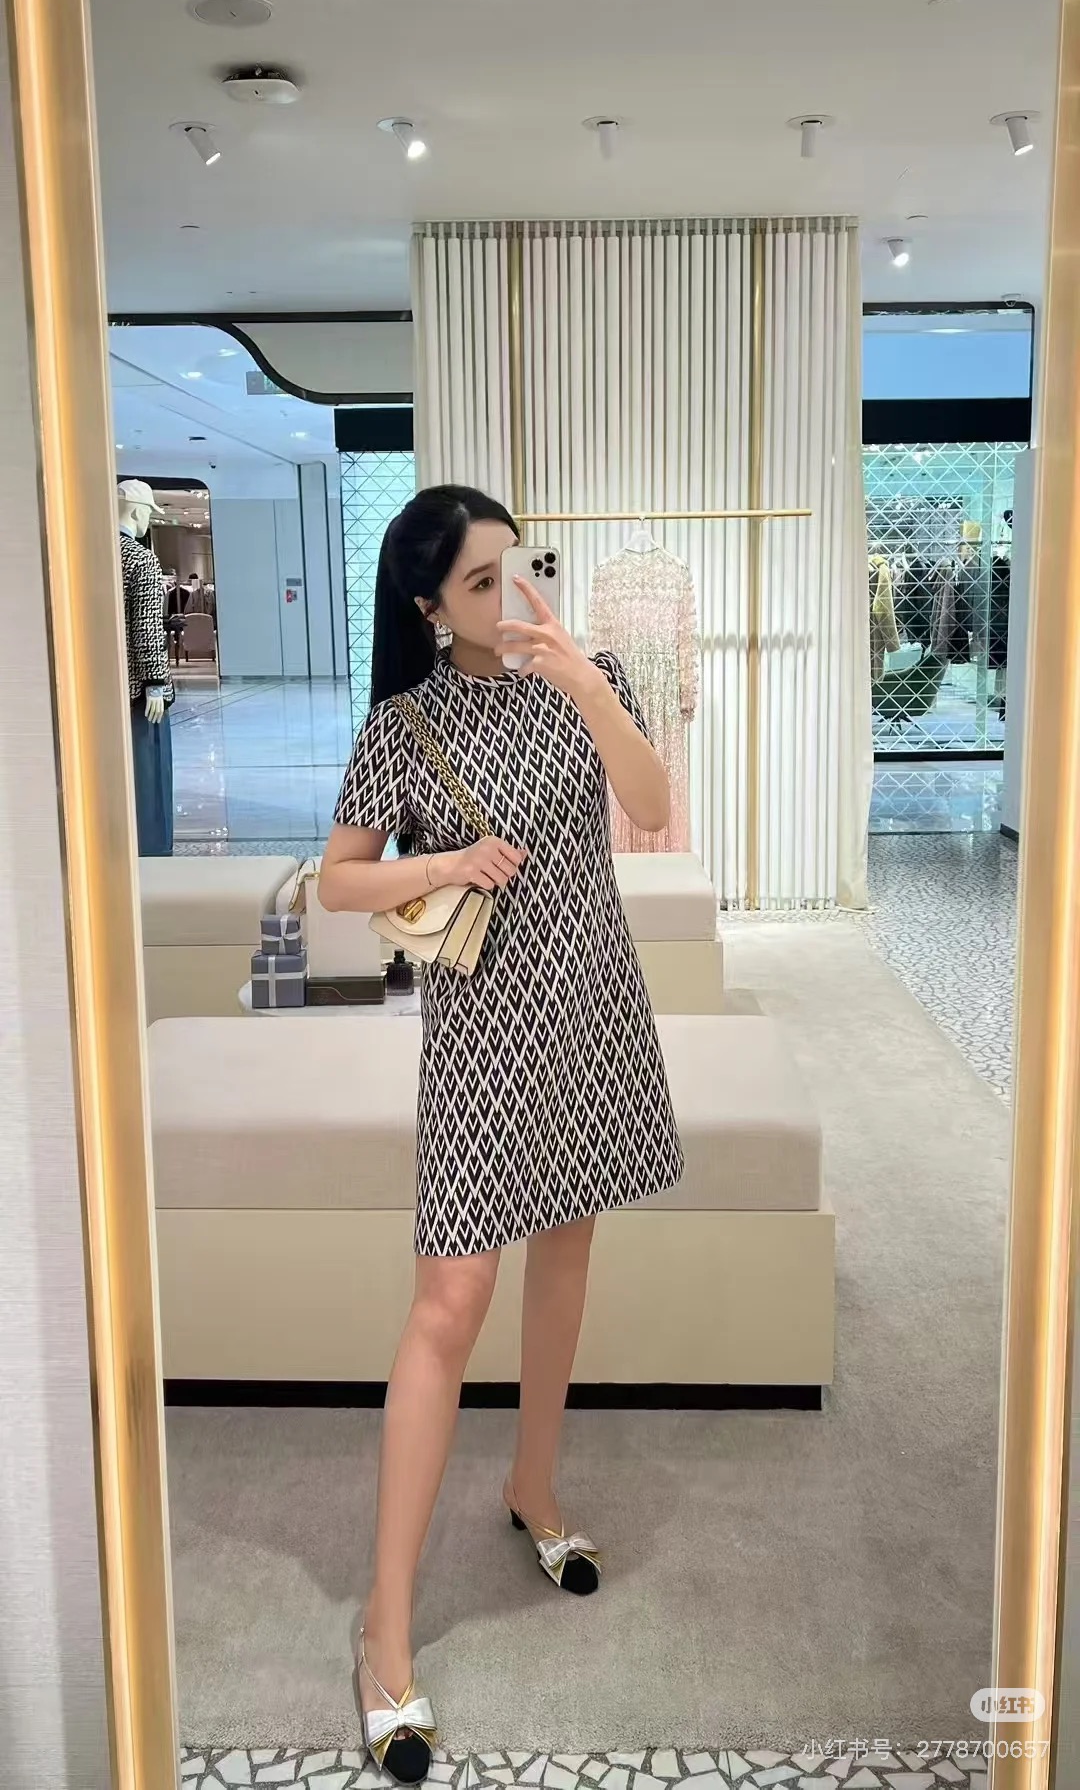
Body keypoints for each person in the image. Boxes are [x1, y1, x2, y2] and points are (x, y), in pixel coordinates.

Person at [320, 485, 685, 1783]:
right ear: (429, 605)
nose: (510, 596)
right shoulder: (402, 724)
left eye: (515, 567)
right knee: (450, 1305)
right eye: (480, 582)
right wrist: (441, 865)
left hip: (591, 1008)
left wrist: (586, 681)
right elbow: (338, 880)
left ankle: (535, 1487)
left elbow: (651, 805)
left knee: (568, 1255)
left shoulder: (590, 679)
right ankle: (384, 1630)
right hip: (480, 1037)